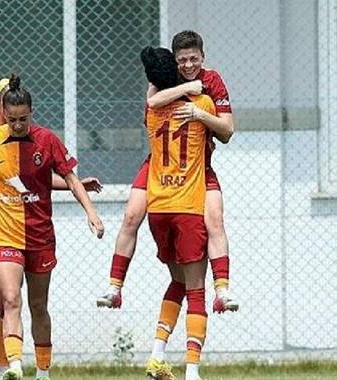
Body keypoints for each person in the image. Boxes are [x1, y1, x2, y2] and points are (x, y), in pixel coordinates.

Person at [0, 75, 105, 380]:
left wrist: (91, 212)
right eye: (11, 120)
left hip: (40, 236)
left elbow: (71, 178)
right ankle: (13, 366)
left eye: (22, 119)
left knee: (38, 305)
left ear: (31, 113)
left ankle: (42, 371)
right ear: (4, 116)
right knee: (10, 298)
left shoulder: (47, 140)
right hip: (5, 236)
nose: (17, 125)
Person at [97, 30, 237, 313]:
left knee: (215, 219)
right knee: (132, 214)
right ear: (175, 60)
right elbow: (151, 103)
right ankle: (114, 287)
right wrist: (187, 89)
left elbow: (227, 131)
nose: (188, 66)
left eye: (193, 59)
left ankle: (223, 290)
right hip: (159, 162)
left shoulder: (213, 81)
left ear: (203, 57)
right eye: (182, 60)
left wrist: (201, 115)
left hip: (196, 166)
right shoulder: (164, 77)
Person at [140, 46, 215, 380]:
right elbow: (223, 133)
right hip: (187, 205)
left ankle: (157, 355)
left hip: (158, 207)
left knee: (178, 281)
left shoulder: (151, 111)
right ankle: (192, 370)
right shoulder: (202, 104)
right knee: (197, 287)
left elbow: (154, 97)